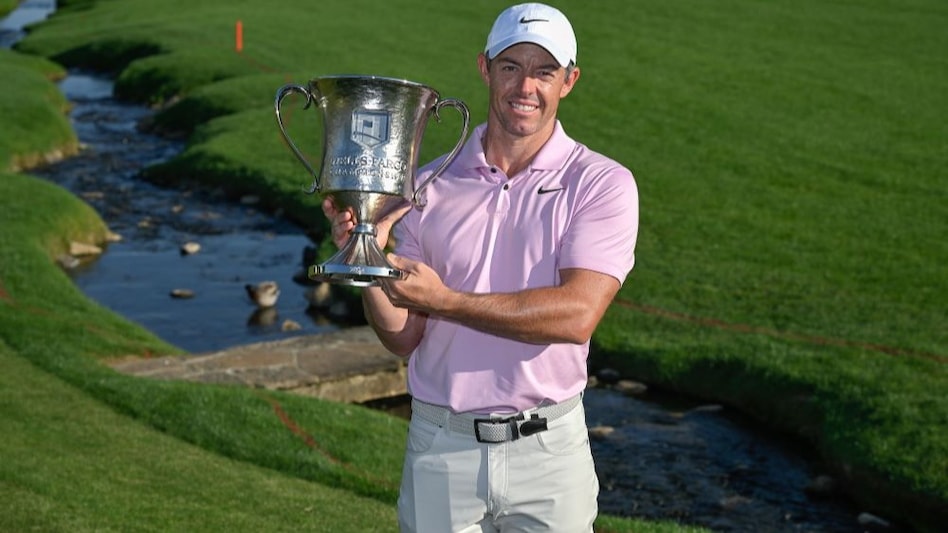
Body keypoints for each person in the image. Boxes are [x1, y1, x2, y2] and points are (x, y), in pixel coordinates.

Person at [323, 3, 639, 531]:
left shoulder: (601, 183)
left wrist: (444, 300)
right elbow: (402, 337)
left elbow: (575, 315)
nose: (525, 87)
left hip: (549, 452)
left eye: (544, 71)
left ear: (569, 81)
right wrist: (369, 254)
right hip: (441, 446)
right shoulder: (424, 186)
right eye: (511, 66)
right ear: (484, 68)